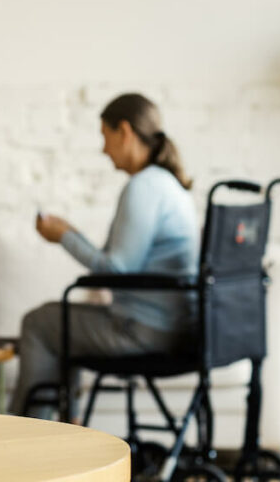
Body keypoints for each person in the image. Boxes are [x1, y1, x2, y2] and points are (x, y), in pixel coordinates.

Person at [11, 93, 199, 418]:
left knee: (39, 322)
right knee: (59, 326)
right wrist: (72, 234)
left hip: (143, 332)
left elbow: (118, 269)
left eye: (105, 136)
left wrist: (64, 237)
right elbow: (121, 262)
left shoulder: (144, 187)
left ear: (124, 131)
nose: (103, 148)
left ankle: (25, 439)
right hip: (175, 328)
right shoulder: (169, 185)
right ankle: (63, 433)